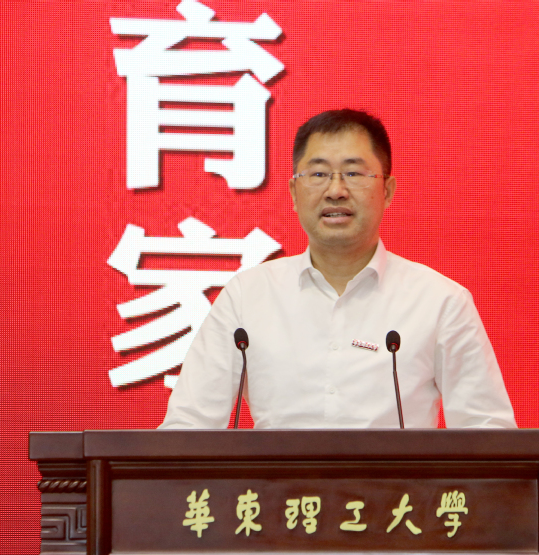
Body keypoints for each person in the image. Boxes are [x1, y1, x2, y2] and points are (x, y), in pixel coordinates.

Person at [159, 109, 516, 429]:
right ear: (294, 192)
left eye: (353, 173)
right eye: (318, 173)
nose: (336, 190)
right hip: (276, 485)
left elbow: (488, 433)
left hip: (397, 486)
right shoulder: (247, 296)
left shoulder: (440, 301)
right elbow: (187, 427)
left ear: (388, 191)